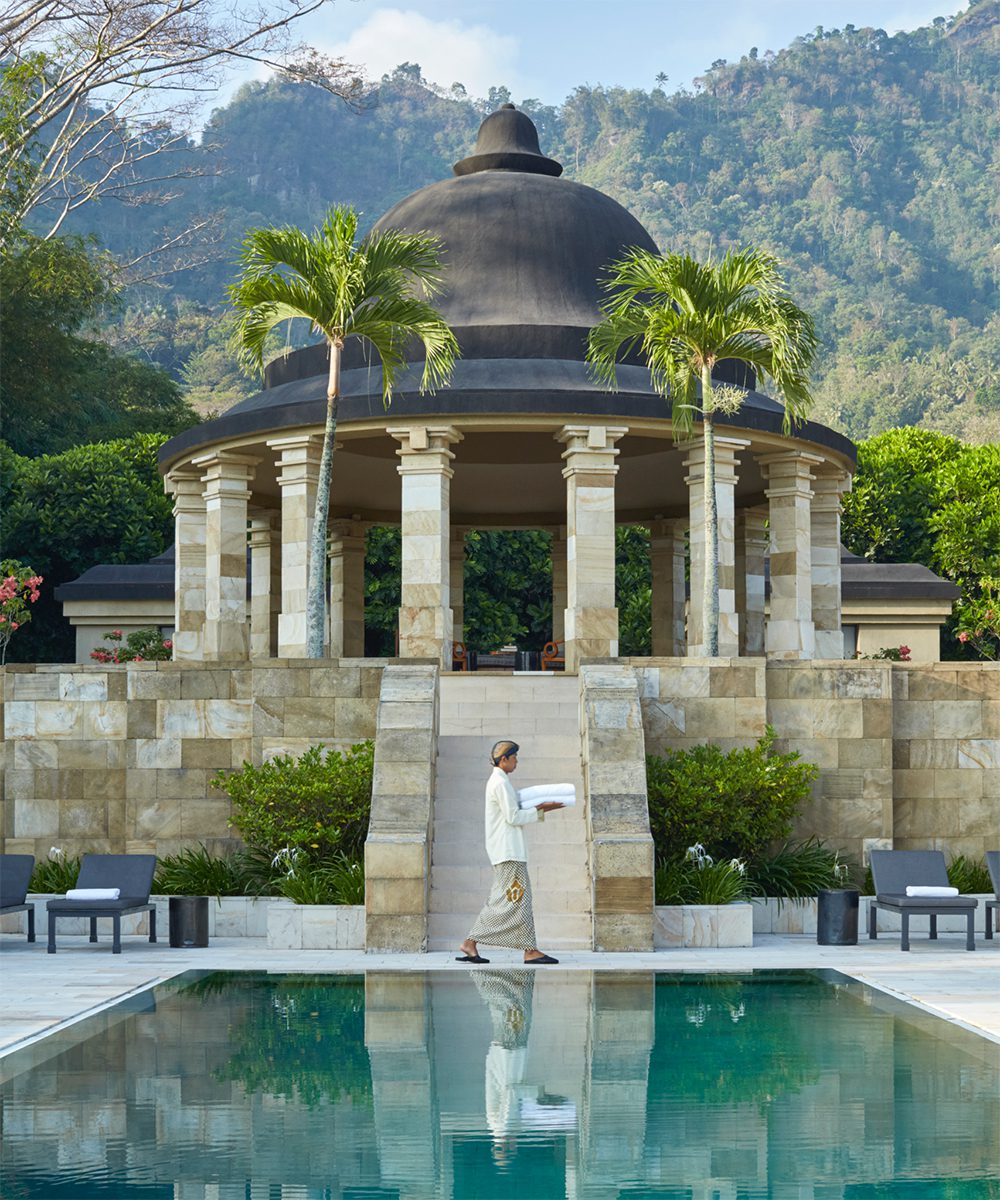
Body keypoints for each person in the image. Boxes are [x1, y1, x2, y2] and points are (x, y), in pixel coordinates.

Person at [457, 739, 564, 965]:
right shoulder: (500, 783)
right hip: (508, 852)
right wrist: (542, 809)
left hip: (507, 851)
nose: (517, 762)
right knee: (511, 900)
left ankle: (527, 949)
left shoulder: (500, 781)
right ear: (504, 759)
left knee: (515, 900)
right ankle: (474, 942)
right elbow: (513, 817)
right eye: (514, 757)